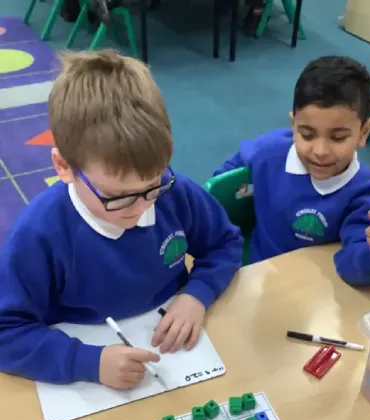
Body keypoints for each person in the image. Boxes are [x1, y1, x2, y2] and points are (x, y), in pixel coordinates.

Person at [0, 50, 242, 390]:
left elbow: (224, 243)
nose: (141, 207)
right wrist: (87, 362)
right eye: (117, 196)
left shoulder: (175, 191)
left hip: (172, 344)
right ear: (64, 167)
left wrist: (197, 295)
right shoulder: (38, 234)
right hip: (86, 370)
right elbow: (6, 332)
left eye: (152, 185)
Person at [213, 56, 370, 286]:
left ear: (364, 131)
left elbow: (356, 271)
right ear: (293, 125)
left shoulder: (368, 194)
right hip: (255, 276)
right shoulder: (270, 150)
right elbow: (223, 182)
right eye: (307, 135)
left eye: (338, 137)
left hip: (313, 290)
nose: (320, 151)